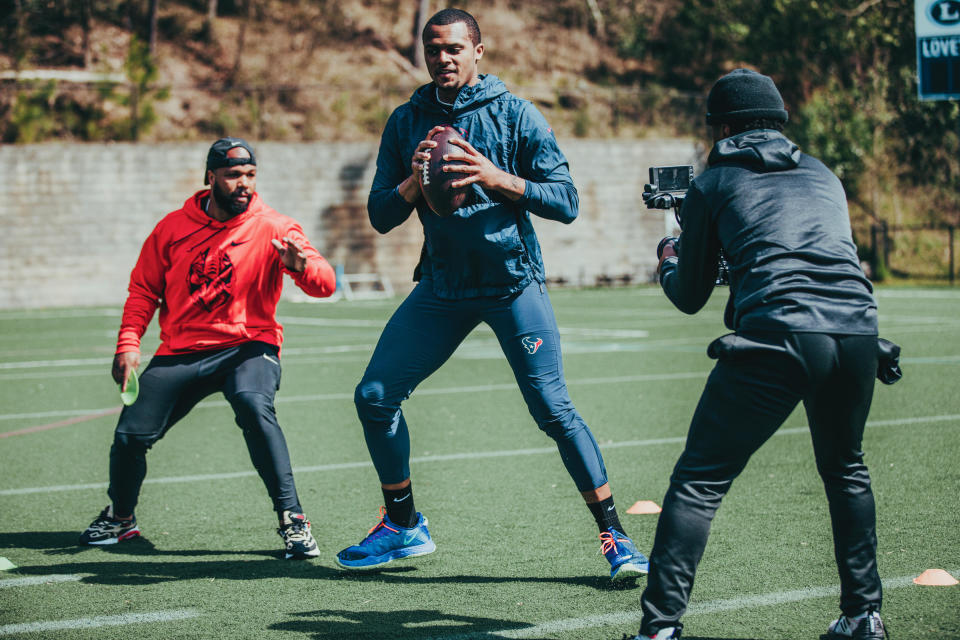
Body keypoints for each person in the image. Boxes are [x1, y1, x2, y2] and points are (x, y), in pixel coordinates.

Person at [333, 8, 648, 581]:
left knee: (553, 410)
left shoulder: (516, 114)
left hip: (511, 283)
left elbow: (567, 201)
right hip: (445, 287)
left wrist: (493, 175)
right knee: (374, 395)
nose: (443, 58)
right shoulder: (406, 120)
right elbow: (380, 215)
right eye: (433, 49)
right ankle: (403, 525)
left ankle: (615, 537)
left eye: (454, 48)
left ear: (478, 51)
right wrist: (414, 177)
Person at [627, 69, 893, 640]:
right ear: (779, 122)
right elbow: (819, 264)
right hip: (858, 332)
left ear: (721, 128)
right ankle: (863, 617)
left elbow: (691, 295)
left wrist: (670, 255)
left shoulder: (713, 181)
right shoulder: (823, 174)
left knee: (698, 482)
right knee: (846, 469)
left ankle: (659, 630)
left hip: (780, 335)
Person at [79, 137, 338, 560]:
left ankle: (293, 520)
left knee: (254, 406)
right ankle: (121, 518)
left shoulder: (276, 227)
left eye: (250, 175)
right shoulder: (171, 228)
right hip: (183, 349)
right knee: (129, 436)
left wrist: (301, 266)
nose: (244, 184)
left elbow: (325, 283)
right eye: (234, 175)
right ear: (211, 177)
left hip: (248, 346)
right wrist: (128, 343)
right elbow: (143, 290)